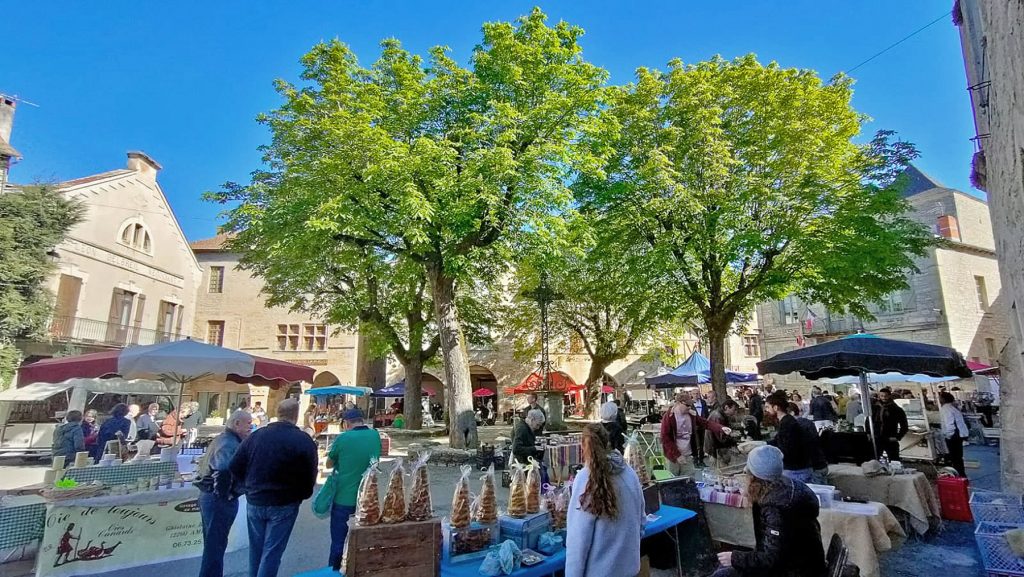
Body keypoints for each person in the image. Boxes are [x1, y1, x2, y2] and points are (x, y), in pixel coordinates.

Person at [230, 399, 318, 577]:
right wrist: (302, 494)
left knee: (256, 549)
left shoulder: (257, 435)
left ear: (278, 413)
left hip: (256, 499)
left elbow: (234, 465)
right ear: (296, 415)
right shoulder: (302, 439)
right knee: (272, 552)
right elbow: (310, 473)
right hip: (284, 502)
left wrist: (248, 487)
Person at [713, 445, 826, 577]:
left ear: (754, 478)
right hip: (800, 563)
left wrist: (735, 558)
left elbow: (770, 559)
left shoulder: (776, 508)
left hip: (796, 570)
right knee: (723, 570)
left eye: (748, 472)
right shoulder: (787, 486)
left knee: (723, 574)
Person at [565, 424, 645, 577]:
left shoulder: (586, 478)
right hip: (629, 568)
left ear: (583, 446)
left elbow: (579, 541)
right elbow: (641, 520)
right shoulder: (629, 473)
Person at [196, 410, 252, 577]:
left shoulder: (226, 439)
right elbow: (223, 470)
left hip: (213, 497)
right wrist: (226, 495)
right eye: (248, 424)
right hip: (216, 499)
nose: (251, 427)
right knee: (215, 543)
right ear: (236, 424)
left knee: (215, 542)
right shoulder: (228, 442)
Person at [325, 409, 381, 570]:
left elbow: (329, 463)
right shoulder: (375, 435)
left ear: (346, 423)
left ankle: (335, 571)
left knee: (338, 542)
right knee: (365, 542)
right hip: (369, 498)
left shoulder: (343, 438)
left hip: (344, 498)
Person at [659, 393, 729, 477]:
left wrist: (721, 428)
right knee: (673, 481)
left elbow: (705, 423)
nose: (689, 407)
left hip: (688, 454)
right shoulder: (669, 417)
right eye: (687, 405)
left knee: (689, 479)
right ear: (678, 403)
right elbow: (665, 437)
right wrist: (677, 455)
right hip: (673, 456)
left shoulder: (691, 414)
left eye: (691, 405)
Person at [765, 392, 813, 482]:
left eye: (768, 407)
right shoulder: (785, 421)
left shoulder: (787, 423)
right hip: (795, 469)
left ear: (775, 407)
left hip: (796, 471)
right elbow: (777, 441)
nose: (766, 410)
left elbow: (786, 449)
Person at [791, 403, 829, 485]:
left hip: (812, 467)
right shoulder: (808, 423)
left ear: (791, 413)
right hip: (820, 463)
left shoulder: (795, 425)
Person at [873, 387, 908, 461]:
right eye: (882, 396)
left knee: (894, 460)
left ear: (889, 396)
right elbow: (868, 421)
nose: (884, 398)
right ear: (879, 396)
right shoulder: (875, 408)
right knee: (875, 460)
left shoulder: (896, 409)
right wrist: (869, 433)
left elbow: (904, 425)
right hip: (877, 437)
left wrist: (898, 437)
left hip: (890, 438)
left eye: (885, 396)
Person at [939, 392, 969, 477]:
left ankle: (959, 475)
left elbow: (949, 423)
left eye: (940, 397)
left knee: (955, 457)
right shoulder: (952, 407)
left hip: (954, 436)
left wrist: (948, 435)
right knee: (958, 457)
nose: (939, 399)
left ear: (944, 399)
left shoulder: (946, 409)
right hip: (958, 435)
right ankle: (961, 474)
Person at [705, 400, 740, 466]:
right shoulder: (717, 416)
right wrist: (734, 440)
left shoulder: (722, 415)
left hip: (718, 448)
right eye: (734, 410)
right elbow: (722, 437)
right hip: (715, 449)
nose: (735, 412)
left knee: (724, 467)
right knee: (722, 470)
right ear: (726, 407)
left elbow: (727, 427)